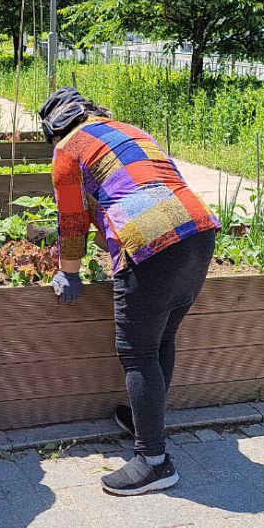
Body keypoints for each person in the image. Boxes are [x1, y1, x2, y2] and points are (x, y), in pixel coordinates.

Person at [40, 87, 219, 496]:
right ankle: (145, 424)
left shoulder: (68, 149)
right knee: (161, 341)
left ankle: (153, 461)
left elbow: (71, 220)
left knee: (136, 351)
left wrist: (69, 272)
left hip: (150, 242)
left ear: (54, 127)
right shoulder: (129, 129)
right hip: (198, 230)